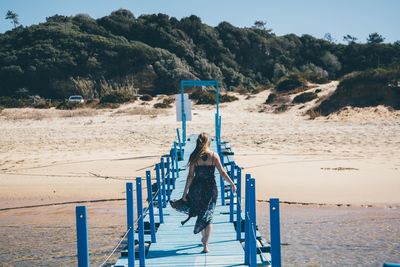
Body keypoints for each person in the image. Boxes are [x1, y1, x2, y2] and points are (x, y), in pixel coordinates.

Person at [170, 132, 237, 253]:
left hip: (197, 189)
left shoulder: (194, 157)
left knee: (202, 214)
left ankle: (204, 239)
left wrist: (184, 193)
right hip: (210, 190)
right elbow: (222, 173)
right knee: (208, 216)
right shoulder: (214, 156)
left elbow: (190, 177)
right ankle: (206, 245)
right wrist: (232, 183)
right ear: (208, 142)